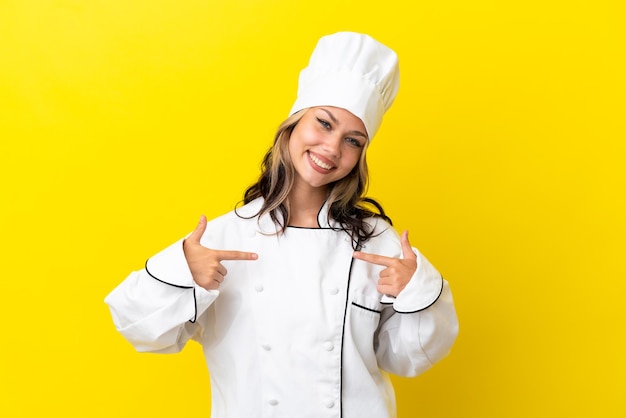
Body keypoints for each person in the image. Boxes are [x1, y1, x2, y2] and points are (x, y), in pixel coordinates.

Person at [105, 31, 458, 418]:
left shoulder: (377, 244)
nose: (333, 148)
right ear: (293, 123)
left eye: (353, 140)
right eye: (324, 123)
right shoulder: (224, 239)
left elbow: (408, 358)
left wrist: (416, 292)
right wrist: (183, 268)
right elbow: (139, 328)